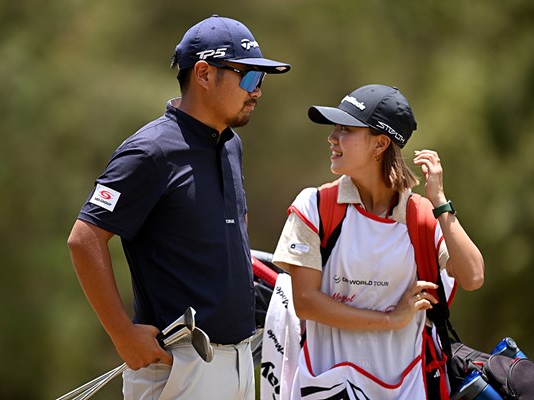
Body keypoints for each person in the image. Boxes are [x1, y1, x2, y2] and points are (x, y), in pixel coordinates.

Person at [67, 15, 290, 400]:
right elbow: (84, 238)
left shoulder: (230, 143)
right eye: (249, 78)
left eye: (261, 80)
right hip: (180, 369)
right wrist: (123, 335)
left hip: (236, 363)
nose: (257, 91)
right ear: (203, 74)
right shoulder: (150, 151)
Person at [271, 84, 485, 399]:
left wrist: (439, 201)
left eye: (345, 129)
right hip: (325, 389)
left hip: (404, 391)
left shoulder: (421, 216)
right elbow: (306, 302)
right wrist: (390, 320)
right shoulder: (313, 206)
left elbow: (473, 277)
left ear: (380, 143)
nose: (332, 138)